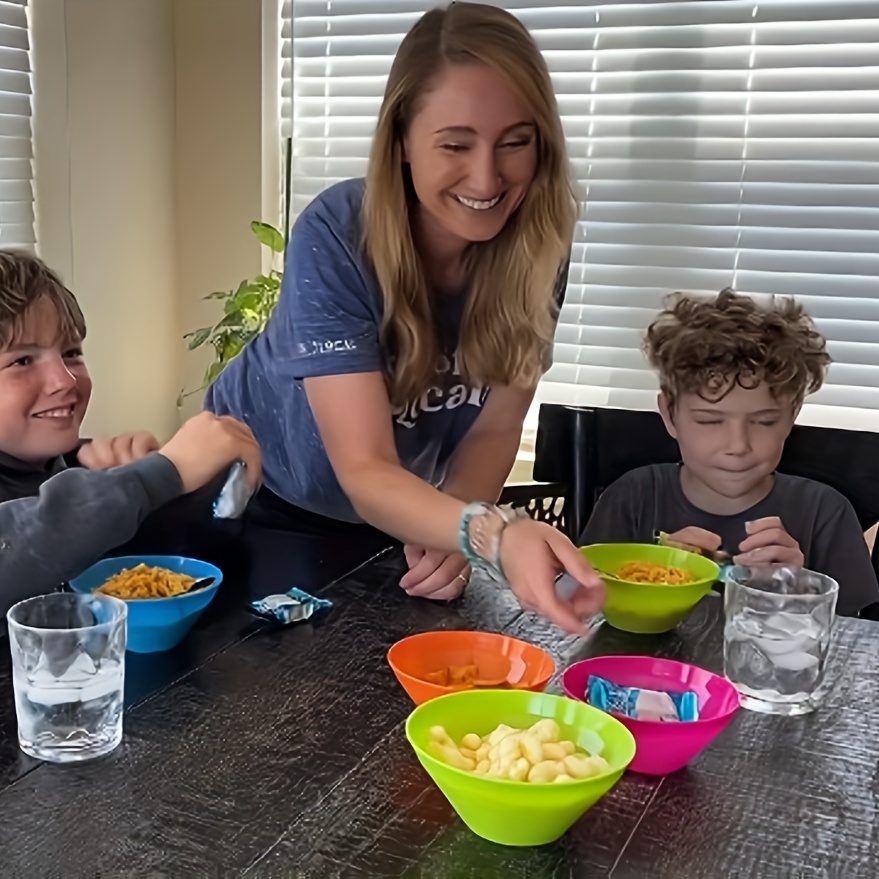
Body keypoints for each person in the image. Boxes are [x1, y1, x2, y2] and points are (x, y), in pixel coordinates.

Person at [206, 2, 603, 633]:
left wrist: (457, 526)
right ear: (401, 144)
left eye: (515, 142)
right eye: (454, 144)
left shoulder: (542, 241)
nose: (487, 176)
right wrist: (488, 532)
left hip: (402, 508)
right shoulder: (336, 235)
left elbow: (496, 427)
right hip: (265, 500)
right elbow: (363, 468)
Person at [580, 288, 879, 617]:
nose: (737, 446)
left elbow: (855, 640)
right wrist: (652, 574)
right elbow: (579, 605)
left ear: (791, 416)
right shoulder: (631, 497)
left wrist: (798, 590)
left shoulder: (826, 513)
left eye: (764, 422)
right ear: (670, 415)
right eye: (709, 421)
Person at [0, 251, 262, 616]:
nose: (65, 380)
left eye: (72, 353)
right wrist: (157, 476)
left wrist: (179, 497)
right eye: (22, 361)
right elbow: (22, 541)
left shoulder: (85, 469)